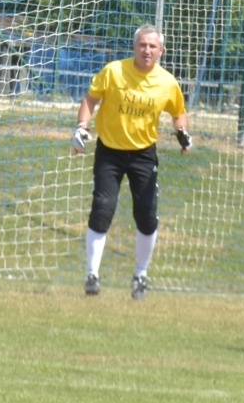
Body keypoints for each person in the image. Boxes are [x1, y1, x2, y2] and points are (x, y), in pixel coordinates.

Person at [70, 25, 190, 300]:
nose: (147, 50)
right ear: (134, 47)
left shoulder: (167, 82)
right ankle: (92, 274)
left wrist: (183, 134)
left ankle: (140, 275)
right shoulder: (114, 71)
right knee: (102, 208)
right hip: (109, 151)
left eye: (152, 46)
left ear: (161, 51)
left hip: (143, 154)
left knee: (147, 215)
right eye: (142, 45)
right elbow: (91, 99)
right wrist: (81, 127)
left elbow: (179, 113)